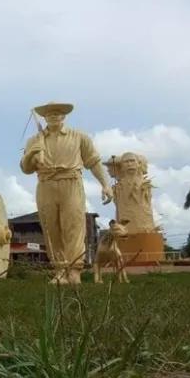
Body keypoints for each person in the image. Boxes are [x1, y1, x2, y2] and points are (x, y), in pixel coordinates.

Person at [19, 102, 113, 284]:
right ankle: (60, 270)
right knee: (51, 227)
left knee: (73, 225)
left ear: (64, 116)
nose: (54, 116)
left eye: (58, 113)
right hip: (46, 183)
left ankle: (74, 270)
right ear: (45, 117)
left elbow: (93, 161)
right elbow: (26, 168)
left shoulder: (78, 137)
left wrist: (105, 184)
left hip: (71, 182)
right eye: (50, 113)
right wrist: (31, 154)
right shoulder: (34, 140)